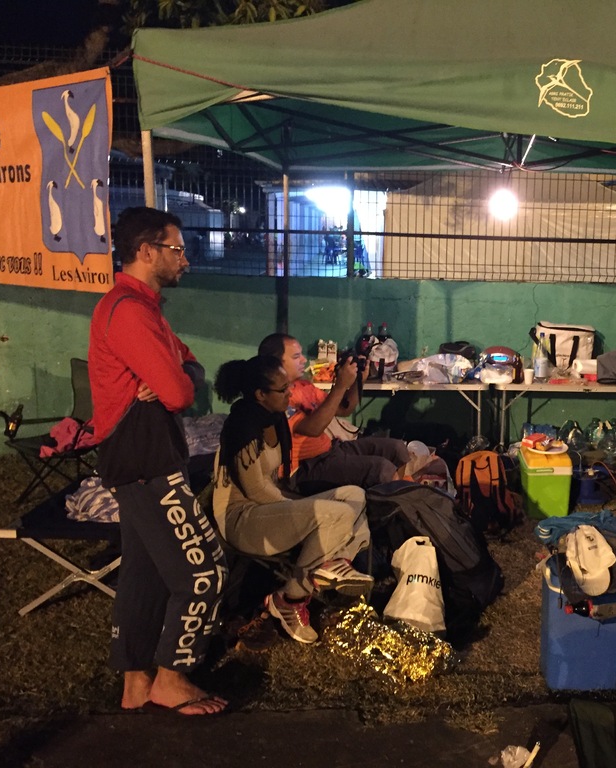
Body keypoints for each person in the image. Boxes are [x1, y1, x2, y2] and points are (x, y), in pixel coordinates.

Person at [88, 207, 228, 716]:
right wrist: (176, 379)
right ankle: (172, 676)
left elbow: (188, 364)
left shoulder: (142, 308)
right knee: (205, 571)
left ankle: (135, 682)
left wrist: (178, 373)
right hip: (145, 459)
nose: (185, 259)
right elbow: (179, 392)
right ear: (147, 252)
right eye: (177, 249)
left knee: (143, 571)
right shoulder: (128, 311)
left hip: (140, 457)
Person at [211, 355, 373, 644]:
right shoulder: (243, 427)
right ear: (261, 394)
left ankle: (333, 563)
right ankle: (293, 598)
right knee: (337, 514)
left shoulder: (274, 418)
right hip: (242, 519)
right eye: (283, 389)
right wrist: (301, 508)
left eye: (289, 386)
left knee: (354, 496)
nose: (290, 393)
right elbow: (256, 490)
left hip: (268, 507)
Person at [257, 333, 410, 494]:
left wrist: (359, 381)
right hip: (304, 468)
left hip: (329, 451)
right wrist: (340, 386)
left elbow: (343, 409)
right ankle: (399, 501)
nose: (303, 360)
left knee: (397, 448)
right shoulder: (278, 397)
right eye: (296, 356)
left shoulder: (303, 386)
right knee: (381, 469)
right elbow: (313, 429)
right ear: (275, 362)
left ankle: (404, 495)